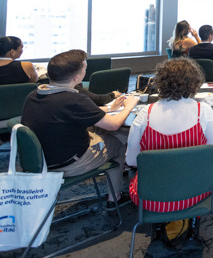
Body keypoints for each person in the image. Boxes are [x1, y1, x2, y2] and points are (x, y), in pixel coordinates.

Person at [22, 49, 139, 209]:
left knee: (101, 130)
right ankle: (115, 198)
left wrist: (109, 109)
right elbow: (113, 124)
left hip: (42, 159)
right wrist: (128, 106)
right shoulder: (75, 99)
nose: (85, 71)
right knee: (119, 144)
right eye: (85, 68)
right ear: (76, 78)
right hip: (69, 163)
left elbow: (68, 112)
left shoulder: (34, 95)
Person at [126, 58, 213, 215]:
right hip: (196, 191)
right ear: (194, 83)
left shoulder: (145, 114)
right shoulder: (203, 111)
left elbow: (131, 161)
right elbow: (211, 153)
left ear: (160, 82)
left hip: (151, 197)